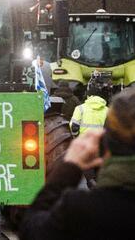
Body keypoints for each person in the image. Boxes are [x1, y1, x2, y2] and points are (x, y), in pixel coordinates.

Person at [20, 88, 135, 240]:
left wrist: (69, 166)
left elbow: (32, 230)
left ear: (105, 142)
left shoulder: (80, 210)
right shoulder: (104, 108)